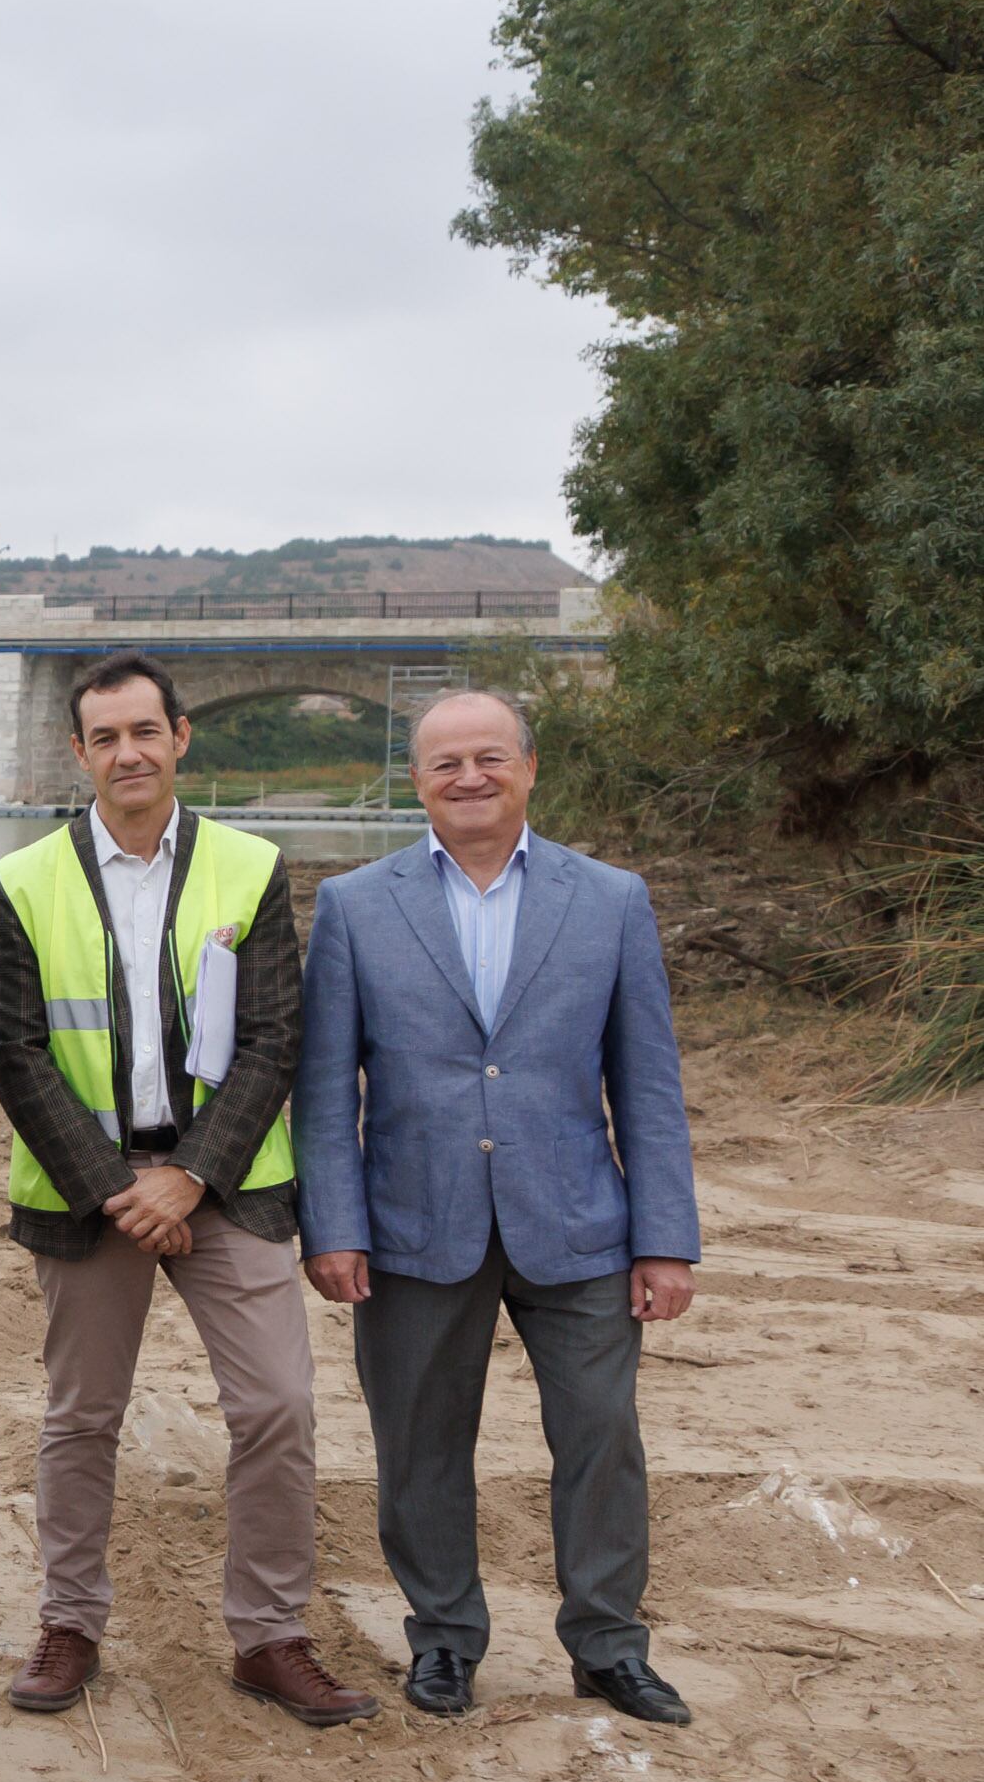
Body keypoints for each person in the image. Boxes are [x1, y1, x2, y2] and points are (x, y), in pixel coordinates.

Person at [0, 650, 377, 1726]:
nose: (127, 753)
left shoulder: (249, 868)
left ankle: (269, 1635)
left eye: (143, 732)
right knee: (80, 1416)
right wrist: (122, 1187)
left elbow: (274, 1038)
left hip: (229, 1182)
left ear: (180, 736)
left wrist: (191, 1175)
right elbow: (15, 1053)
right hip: (88, 1194)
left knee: (279, 1407)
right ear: (78, 752)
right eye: (104, 737)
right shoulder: (25, 880)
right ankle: (70, 1623)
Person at [297, 690, 700, 1724]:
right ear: (416, 780)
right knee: (421, 1445)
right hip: (411, 1225)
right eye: (444, 763)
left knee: (603, 1437)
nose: (468, 777)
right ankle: (443, 1638)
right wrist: (333, 1225)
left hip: (579, 1225)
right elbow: (326, 1083)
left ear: (529, 766)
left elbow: (646, 1082)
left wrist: (664, 1239)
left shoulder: (610, 899)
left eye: (488, 757)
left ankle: (608, 1645)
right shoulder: (354, 905)